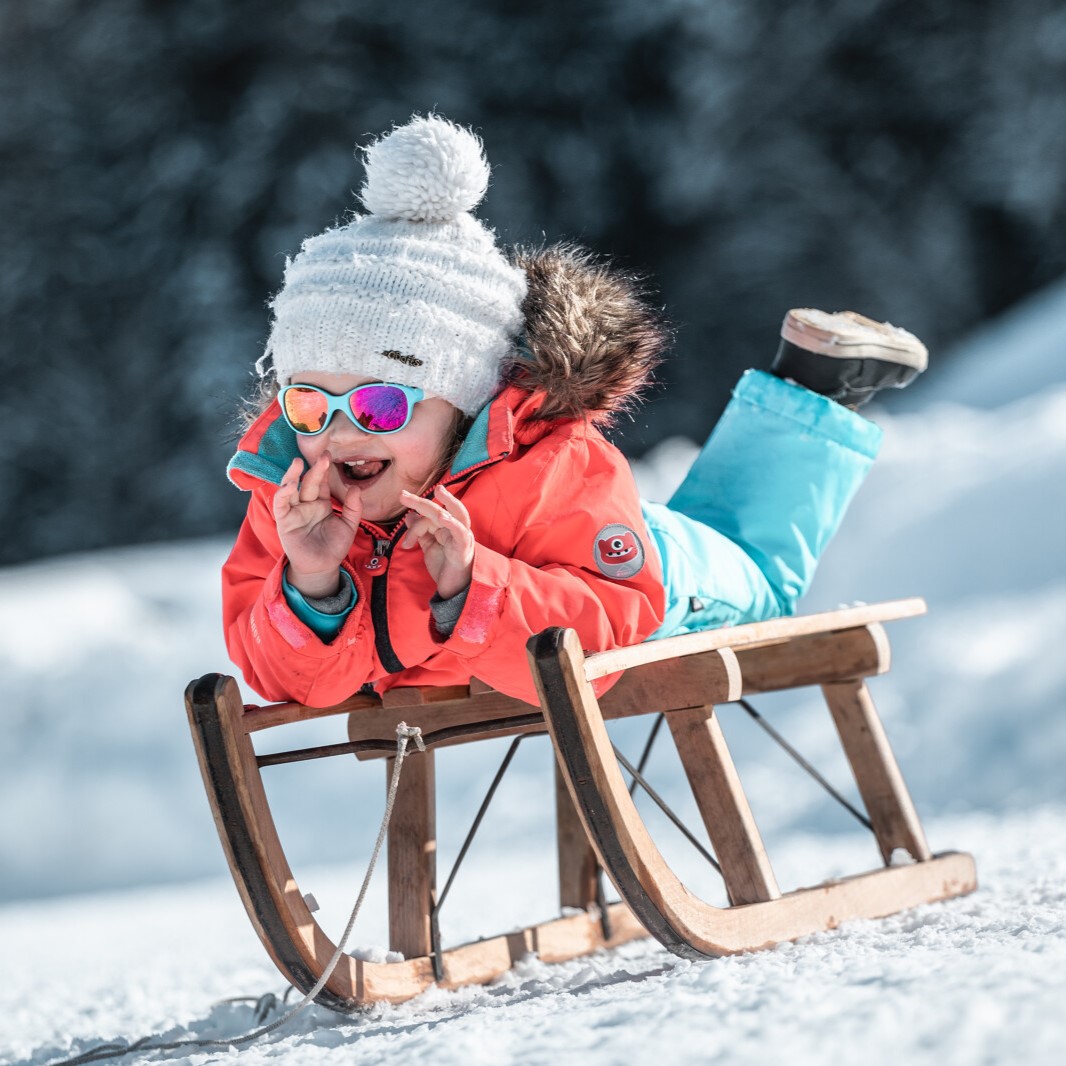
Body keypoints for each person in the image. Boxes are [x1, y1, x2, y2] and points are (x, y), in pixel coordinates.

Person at [223, 115, 927, 708]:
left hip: (651, 574)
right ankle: (810, 385)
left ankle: (817, 382)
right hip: (591, 553)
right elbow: (287, 679)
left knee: (760, 580)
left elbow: (616, 628)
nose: (338, 432)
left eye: (380, 405)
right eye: (310, 404)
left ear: (468, 401)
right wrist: (312, 583)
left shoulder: (550, 464)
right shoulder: (289, 501)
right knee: (715, 529)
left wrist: (476, 586)